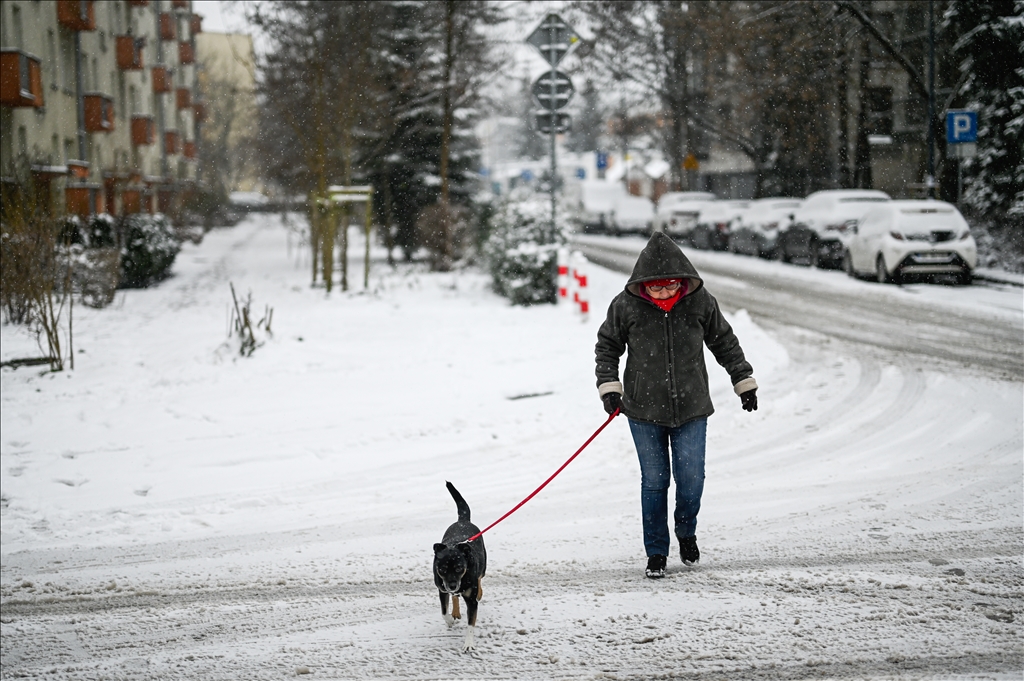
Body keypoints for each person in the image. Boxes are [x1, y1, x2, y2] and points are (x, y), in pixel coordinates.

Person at [594, 231, 758, 578]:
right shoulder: (625, 305)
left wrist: (742, 381)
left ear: (682, 281)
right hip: (642, 409)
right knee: (654, 481)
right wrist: (610, 388)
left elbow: (724, 342)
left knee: (691, 478)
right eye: (656, 287)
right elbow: (607, 346)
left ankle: (686, 532)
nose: (664, 293)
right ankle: (656, 552)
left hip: (692, 407)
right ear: (643, 284)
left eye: (670, 286)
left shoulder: (700, 302)